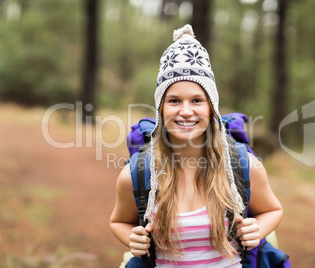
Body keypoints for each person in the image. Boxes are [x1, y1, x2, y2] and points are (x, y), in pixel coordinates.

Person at [110, 24, 283, 267]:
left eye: (197, 100)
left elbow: (272, 210)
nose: (186, 111)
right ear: (160, 109)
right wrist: (132, 238)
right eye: (174, 100)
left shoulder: (242, 166)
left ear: (211, 107)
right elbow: (118, 221)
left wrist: (258, 229)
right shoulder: (137, 174)